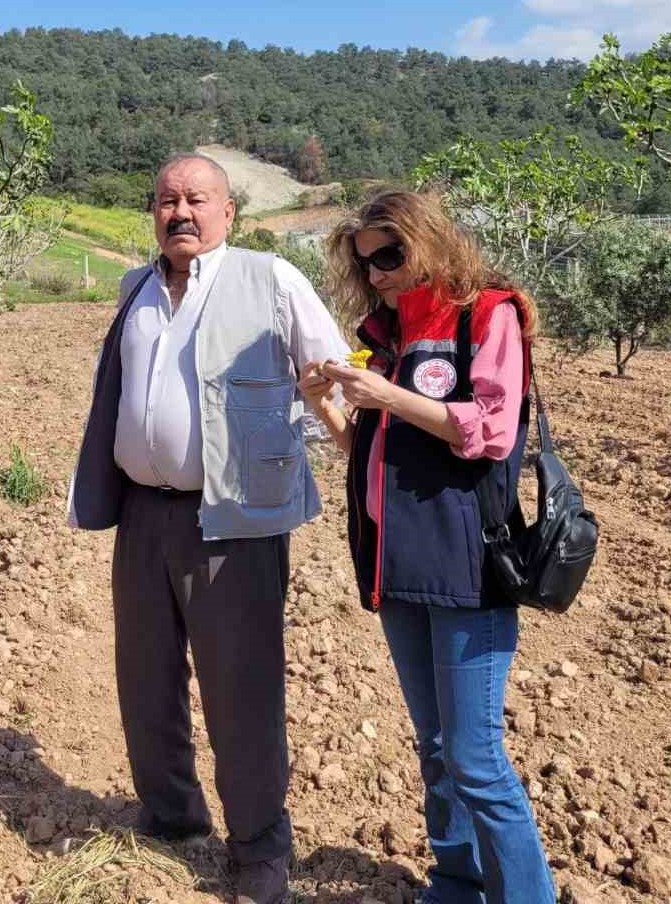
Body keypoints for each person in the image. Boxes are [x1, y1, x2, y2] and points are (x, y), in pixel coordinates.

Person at [68, 153, 350, 904]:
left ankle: (260, 848)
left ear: (229, 212)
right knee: (145, 675)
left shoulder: (271, 280)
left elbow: (332, 380)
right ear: (152, 212)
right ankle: (171, 814)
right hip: (143, 514)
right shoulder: (135, 288)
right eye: (167, 200)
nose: (181, 212)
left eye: (197, 199)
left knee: (242, 690)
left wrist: (286, 450)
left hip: (235, 523)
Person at [300, 187, 556, 904]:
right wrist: (329, 406)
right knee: (437, 749)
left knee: (475, 758)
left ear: (430, 241)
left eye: (391, 254)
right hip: (397, 563)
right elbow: (376, 455)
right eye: (366, 261)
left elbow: (493, 431)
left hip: (467, 568)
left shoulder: (487, 315)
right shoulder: (387, 334)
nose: (378, 272)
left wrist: (387, 396)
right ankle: (454, 883)